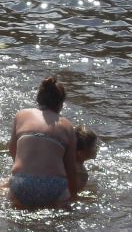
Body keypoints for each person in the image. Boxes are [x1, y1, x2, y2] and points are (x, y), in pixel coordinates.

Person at [8, 76, 80, 209]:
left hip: (22, 183)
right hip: (53, 185)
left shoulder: (21, 115)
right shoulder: (67, 126)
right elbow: (70, 168)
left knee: (18, 220)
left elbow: (13, 150)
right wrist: (74, 195)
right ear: (61, 103)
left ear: (38, 98)